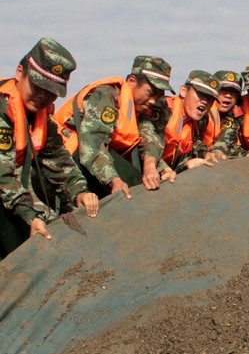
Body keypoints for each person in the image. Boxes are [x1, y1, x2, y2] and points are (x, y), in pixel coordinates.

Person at [0, 38, 99, 255]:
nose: (43, 96)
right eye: (38, 86)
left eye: (51, 91)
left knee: (52, 227)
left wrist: (80, 192)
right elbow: (2, 176)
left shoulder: (41, 119)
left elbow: (60, 163)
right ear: (19, 73)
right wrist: (30, 215)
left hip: (10, 188)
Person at [54, 55, 174, 198]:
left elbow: (148, 137)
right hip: (66, 163)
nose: (154, 101)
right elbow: (93, 145)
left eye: (159, 95)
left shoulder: (139, 108)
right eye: (151, 93)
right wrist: (114, 181)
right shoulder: (105, 96)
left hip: (96, 163)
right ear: (131, 81)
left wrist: (156, 167)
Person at [140, 70, 220, 174]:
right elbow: (146, 141)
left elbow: (194, 146)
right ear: (183, 91)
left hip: (166, 173)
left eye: (210, 99)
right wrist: (163, 169)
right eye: (201, 95)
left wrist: (203, 155)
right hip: (141, 168)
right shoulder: (163, 108)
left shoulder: (200, 121)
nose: (205, 101)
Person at [207, 69, 246, 160]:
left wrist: (247, 154)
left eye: (233, 92)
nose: (228, 95)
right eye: (223, 90)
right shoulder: (201, 112)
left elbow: (227, 139)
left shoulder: (234, 114)